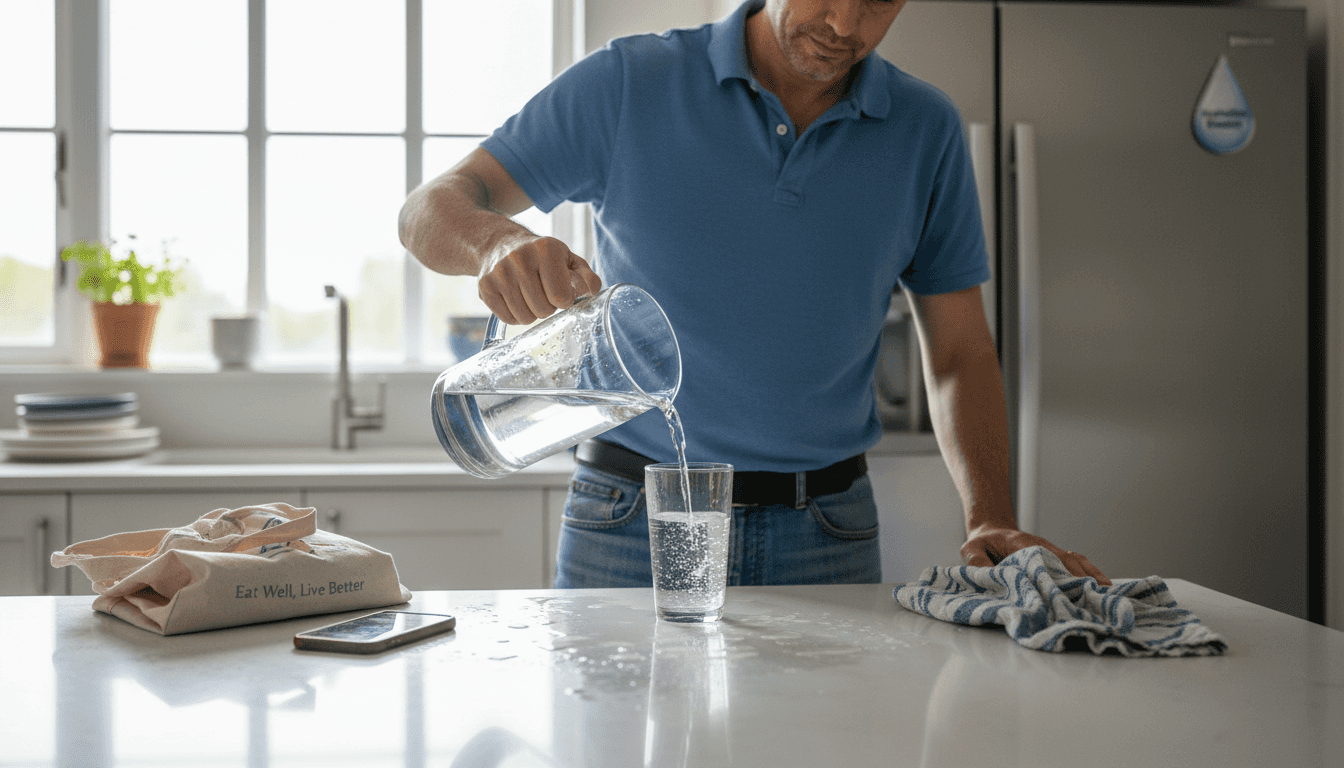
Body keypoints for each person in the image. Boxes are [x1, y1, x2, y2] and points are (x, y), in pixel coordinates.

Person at [399, 0, 1110, 588]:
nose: (845, 27)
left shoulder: (927, 130)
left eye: (878, 5)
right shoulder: (629, 82)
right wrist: (498, 243)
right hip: (630, 521)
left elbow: (958, 350)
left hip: (827, 531)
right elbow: (428, 210)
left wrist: (988, 515)